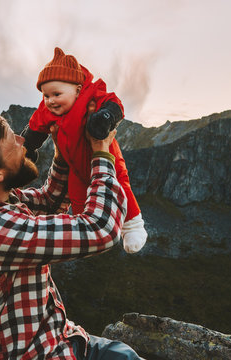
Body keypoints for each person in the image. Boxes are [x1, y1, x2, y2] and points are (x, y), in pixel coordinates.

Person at [0, 111, 142, 359]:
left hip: (62, 336)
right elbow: (100, 229)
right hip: (42, 353)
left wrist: (63, 150)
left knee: (125, 354)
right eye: (11, 141)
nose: (21, 140)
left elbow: (48, 201)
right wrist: (102, 153)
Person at [21, 47, 147, 254]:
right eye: (45, 96)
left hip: (106, 157)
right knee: (79, 195)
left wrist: (104, 117)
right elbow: (35, 127)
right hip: (75, 167)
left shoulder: (91, 95)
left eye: (56, 94)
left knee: (121, 185)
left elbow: (114, 104)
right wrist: (27, 146)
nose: (50, 100)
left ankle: (133, 226)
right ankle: (84, 224)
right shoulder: (48, 110)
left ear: (78, 89)